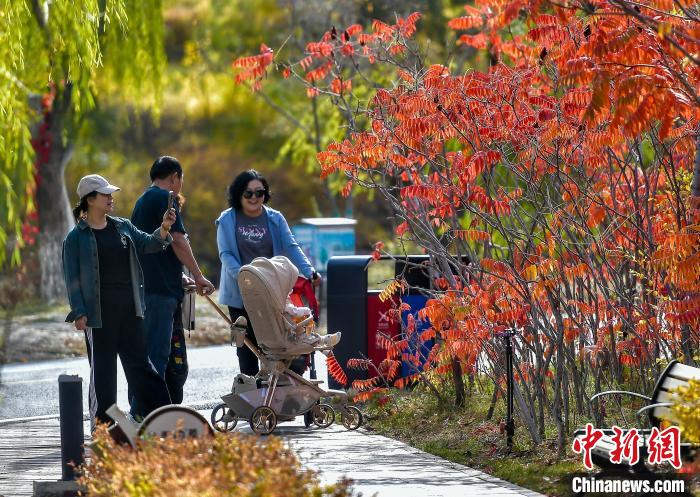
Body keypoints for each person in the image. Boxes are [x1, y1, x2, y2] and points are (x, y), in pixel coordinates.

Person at [62, 174, 173, 430]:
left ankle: (165, 416)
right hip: (98, 315)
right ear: (90, 200)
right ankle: (103, 427)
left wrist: (164, 227)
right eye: (105, 195)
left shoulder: (123, 226)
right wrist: (79, 311)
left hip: (130, 309)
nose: (111, 198)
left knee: (140, 366)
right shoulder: (75, 238)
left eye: (111, 194)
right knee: (103, 372)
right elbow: (72, 279)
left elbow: (150, 244)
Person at [216, 169, 321, 376]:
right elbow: (226, 254)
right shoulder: (227, 219)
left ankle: (278, 394)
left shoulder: (275, 218)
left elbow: (291, 246)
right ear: (239, 195)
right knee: (246, 347)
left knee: (275, 345)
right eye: (248, 193)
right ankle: (250, 395)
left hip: (271, 293)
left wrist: (309, 271)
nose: (254, 198)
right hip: (240, 293)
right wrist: (244, 277)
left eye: (259, 192)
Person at [131, 156, 215, 404]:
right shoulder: (165, 198)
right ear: (175, 177)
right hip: (160, 292)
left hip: (148, 286)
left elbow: (151, 247)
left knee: (146, 354)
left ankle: (143, 409)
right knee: (158, 355)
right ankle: (147, 413)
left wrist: (177, 275)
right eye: (181, 180)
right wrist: (198, 276)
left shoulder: (142, 200)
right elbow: (178, 241)